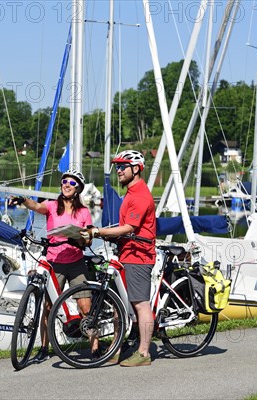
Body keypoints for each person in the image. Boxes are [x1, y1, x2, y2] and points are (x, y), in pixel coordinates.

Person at [10, 168, 98, 362]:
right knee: (48, 308)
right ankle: (44, 348)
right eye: (65, 181)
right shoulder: (51, 206)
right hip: (54, 262)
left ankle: (94, 347)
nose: (67, 184)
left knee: (85, 307)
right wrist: (22, 200)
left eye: (72, 183)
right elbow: (36, 206)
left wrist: (83, 238)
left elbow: (89, 238)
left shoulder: (83, 212)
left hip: (76, 263)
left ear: (78, 189)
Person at [81, 150, 157, 367]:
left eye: (123, 166)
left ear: (136, 169)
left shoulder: (141, 195)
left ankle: (144, 354)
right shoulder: (131, 193)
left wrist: (98, 232)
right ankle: (117, 348)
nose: (119, 170)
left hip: (139, 257)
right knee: (118, 306)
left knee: (140, 304)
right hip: (126, 253)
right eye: (117, 167)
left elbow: (130, 227)